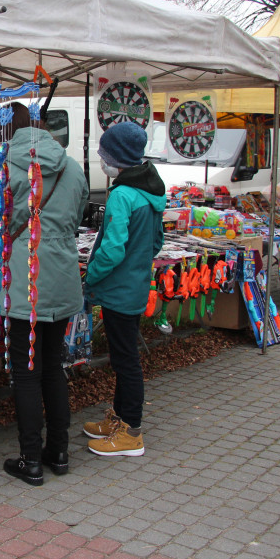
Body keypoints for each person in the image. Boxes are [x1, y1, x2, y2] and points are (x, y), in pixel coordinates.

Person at [0, 103, 88, 485]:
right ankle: (58, 452)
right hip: (60, 275)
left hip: (23, 282)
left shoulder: (5, 166)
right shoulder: (71, 165)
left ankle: (30, 460)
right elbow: (77, 217)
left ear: (3, 131)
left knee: (26, 374)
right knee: (53, 367)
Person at [83, 121, 166, 457]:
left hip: (118, 290)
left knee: (126, 361)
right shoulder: (153, 190)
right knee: (124, 357)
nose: (102, 160)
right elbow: (156, 242)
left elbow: (112, 249)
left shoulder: (123, 195)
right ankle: (119, 418)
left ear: (116, 157)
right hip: (134, 286)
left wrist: (91, 277)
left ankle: (131, 433)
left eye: (105, 154)